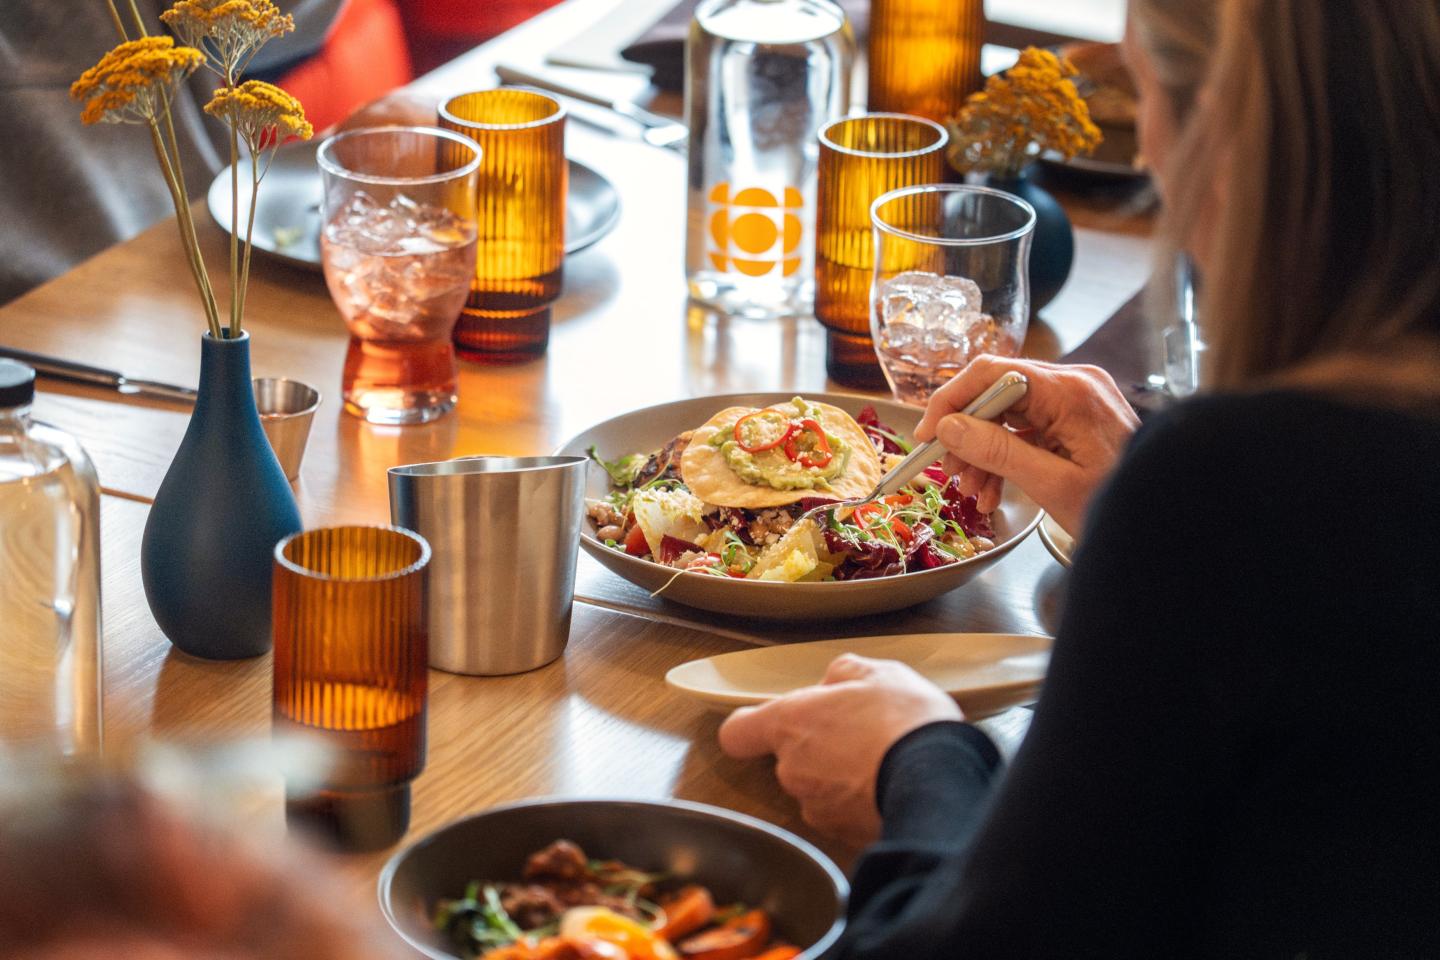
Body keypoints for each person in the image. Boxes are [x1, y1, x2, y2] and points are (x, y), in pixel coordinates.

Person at [718, 1, 1440, 956]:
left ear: (1228, 125)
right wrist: (1153, 552)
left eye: (1146, 98)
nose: (1147, 165)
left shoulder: (1242, 486)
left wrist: (919, 761)